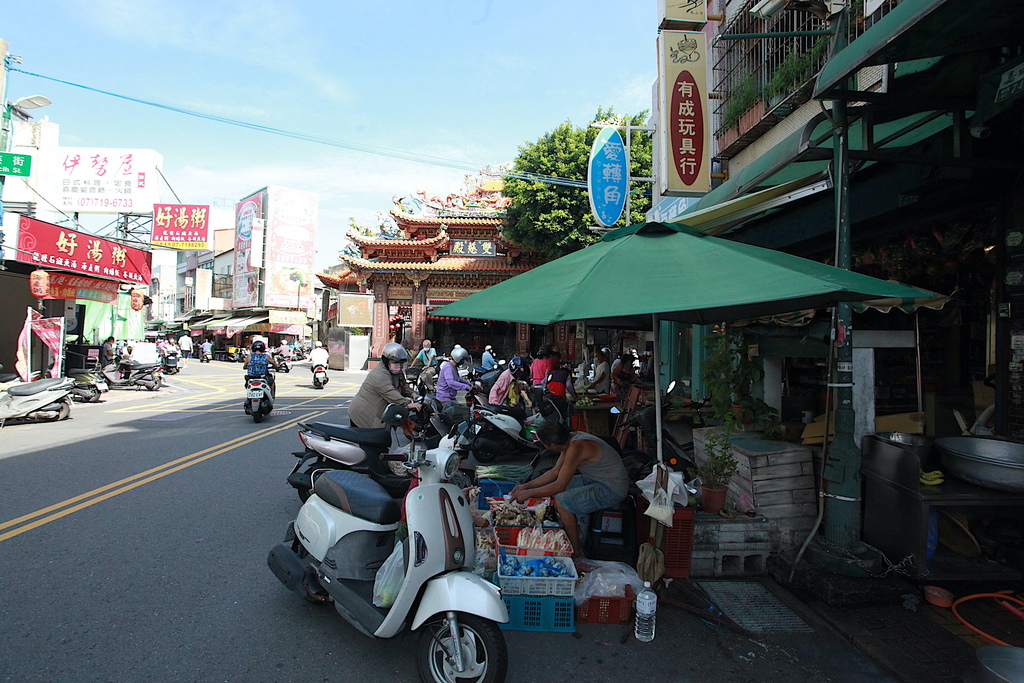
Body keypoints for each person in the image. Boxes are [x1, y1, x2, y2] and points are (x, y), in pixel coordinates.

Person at [511, 420, 629, 558]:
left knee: (562, 502)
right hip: (596, 479)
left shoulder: (576, 446)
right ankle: (576, 530)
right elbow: (555, 472)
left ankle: (576, 550)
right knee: (558, 492)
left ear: (553, 445)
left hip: (612, 487)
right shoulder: (570, 440)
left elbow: (558, 485)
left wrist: (528, 493)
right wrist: (525, 486)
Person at [348, 342, 421, 429]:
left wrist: (413, 394)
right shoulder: (380, 374)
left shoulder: (396, 371)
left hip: (378, 412)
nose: (399, 366)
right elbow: (390, 392)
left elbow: (404, 385)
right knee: (374, 440)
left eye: (401, 364)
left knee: (382, 438)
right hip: (363, 412)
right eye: (395, 363)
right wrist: (407, 403)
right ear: (386, 361)